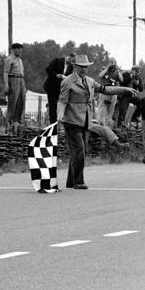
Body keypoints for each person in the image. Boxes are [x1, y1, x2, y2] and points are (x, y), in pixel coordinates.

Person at [56, 53, 133, 189]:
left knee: (77, 150)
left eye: (86, 67)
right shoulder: (67, 81)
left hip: (84, 120)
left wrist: (124, 89)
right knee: (79, 149)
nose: (84, 69)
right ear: (75, 66)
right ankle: (79, 181)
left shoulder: (90, 81)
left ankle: (71, 181)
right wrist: (59, 117)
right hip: (71, 121)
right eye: (81, 67)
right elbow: (62, 101)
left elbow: (106, 89)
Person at [4, 42, 26, 127]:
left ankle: (17, 121)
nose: (20, 51)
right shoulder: (9, 59)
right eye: (18, 49)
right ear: (13, 49)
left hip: (21, 80)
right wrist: (6, 85)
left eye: (21, 49)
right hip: (13, 79)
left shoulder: (20, 60)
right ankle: (8, 122)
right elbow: (5, 72)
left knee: (21, 101)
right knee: (13, 102)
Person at [44, 53, 70, 124]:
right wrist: (56, 75)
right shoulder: (57, 61)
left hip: (60, 89)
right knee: (53, 107)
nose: (71, 62)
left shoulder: (71, 66)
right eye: (70, 60)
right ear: (68, 57)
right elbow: (48, 69)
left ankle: (59, 123)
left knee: (60, 106)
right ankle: (53, 124)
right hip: (51, 87)